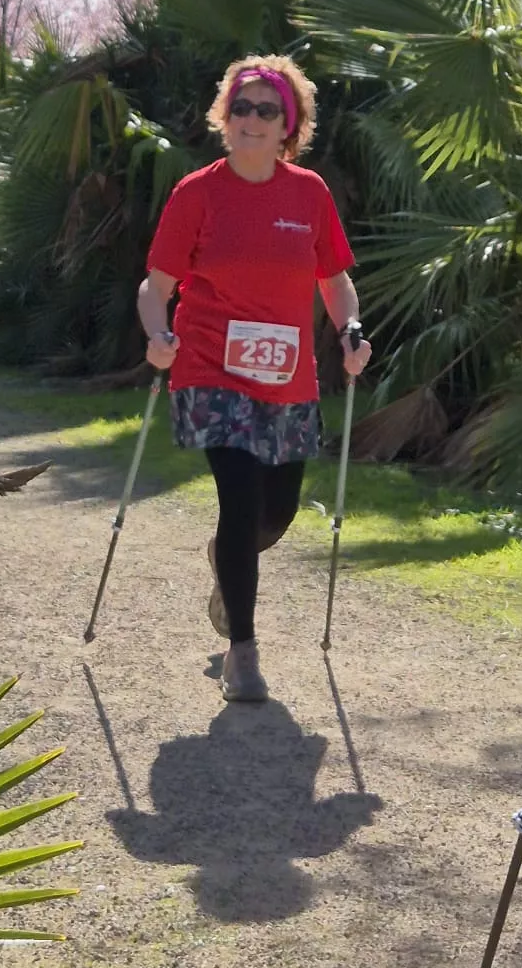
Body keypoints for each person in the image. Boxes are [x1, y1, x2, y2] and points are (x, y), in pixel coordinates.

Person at [137, 55, 370, 703]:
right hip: (211, 370)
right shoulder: (197, 195)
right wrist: (159, 334)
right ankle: (243, 652)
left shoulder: (309, 195)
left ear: (288, 124)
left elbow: (336, 282)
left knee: (276, 513)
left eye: (266, 110)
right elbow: (156, 288)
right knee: (240, 501)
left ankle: (225, 557)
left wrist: (350, 330)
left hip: (289, 380)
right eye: (240, 107)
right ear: (225, 116)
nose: (250, 119)